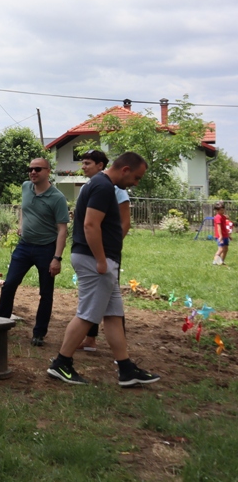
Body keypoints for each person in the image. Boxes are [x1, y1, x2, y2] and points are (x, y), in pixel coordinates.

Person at [48, 152, 160, 386]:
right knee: (88, 313)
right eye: (136, 177)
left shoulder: (100, 184)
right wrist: (101, 260)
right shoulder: (103, 186)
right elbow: (90, 224)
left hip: (99, 260)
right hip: (94, 260)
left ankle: (126, 369)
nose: (135, 183)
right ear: (125, 170)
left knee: (113, 315)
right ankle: (61, 363)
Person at [0, 158, 69, 347]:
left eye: (37, 169)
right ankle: (0, 325)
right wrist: (22, 224)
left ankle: (39, 333)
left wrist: (57, 258)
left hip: (46, 249)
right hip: (24, 246)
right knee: (9, 284)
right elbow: (24, 208)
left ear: (47, 171)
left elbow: (62, 230)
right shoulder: (26, 186)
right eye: (30, 169)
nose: (32, 172)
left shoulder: (57, 198)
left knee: (46, 292)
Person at [76, 149, 132, 352]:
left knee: (110, 303)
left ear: (101, 165)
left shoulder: (117, 189)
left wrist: (109, 248)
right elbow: (87, 223)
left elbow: (124, 223)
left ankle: (120, 352)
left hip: (104, 254)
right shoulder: (92, 186)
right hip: (93, 253)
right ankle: (89, 340)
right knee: (98, 302)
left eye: (88, 163)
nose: (84, 166)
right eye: (83, 163)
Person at [212, 201, 230, 266]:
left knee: (226, 249)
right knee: (221, 249)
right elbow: (219, 227)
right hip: (220, 236)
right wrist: (220, 236)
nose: (223, 211)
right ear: (217, 210)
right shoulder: (217, 217)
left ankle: (221, 261)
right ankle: (215, 261)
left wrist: (228, 235)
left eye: (223, 209)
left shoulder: (222, 216)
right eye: (221, 210)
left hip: (225, 235)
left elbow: (226, 222)